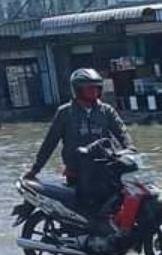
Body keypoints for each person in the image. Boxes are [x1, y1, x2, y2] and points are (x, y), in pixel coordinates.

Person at [23, 68, 135, 237]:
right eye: (89, 88)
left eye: (97, 87)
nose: (94, 91)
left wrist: (131, 151)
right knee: (85, 214)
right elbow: (49, 143)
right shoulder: (65, 113)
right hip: (78, 173)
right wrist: (35, 169)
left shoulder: (106, 111)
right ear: (78, 90)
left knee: (119, 201)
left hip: (105, 170)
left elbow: (122, 133)